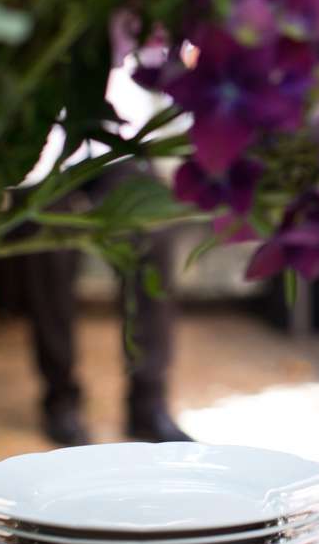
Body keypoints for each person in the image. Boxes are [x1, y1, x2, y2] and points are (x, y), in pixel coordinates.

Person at [16, 56, 192, 445]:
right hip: (42, 150)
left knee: (154, 230)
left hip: (119, 141)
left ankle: (148, 402)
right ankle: (60, 398)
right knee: (50, 242)